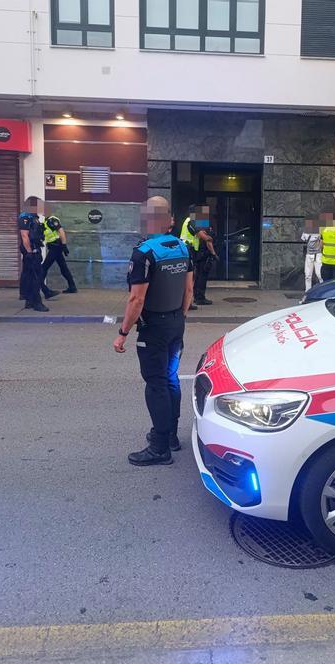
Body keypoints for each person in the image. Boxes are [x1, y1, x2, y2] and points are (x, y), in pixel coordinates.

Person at [113, 196, 193, 467]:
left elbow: (136, 300)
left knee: (156, 383)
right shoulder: (183, 247)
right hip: (175, 323)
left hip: (155, 328)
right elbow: (189, 290)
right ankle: (170, 435)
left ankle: (159, 448)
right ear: (169, 219)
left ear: (148, 219)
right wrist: (178, 318)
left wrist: (123, 331)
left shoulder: (144, 252)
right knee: (170, 379)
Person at [18, 196, 55, 311]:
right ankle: (37, 303)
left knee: (30, 276)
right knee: (36, 277)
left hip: (34, 249)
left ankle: (29, 301)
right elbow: (24, 236)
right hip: (31, 251)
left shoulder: (34, 217)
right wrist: (30, 252)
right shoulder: (25, 217)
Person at [177, 205, 216, 308]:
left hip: (188, 251)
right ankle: (187, 303)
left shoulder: (189, 221)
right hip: (188, 250)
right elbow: (203, 236)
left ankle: (188, 302)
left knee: (191, 277)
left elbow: (200, 232)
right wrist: (209, 238)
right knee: (190, 278)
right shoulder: (192, 221)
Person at [40, 211, 77, 294]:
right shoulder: (45, 222)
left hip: (56, 247)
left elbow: (61, 232)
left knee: (44, 267)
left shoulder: (51, 220)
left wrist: (64, 245)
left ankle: (43, 289)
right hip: (54, 247)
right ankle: (72, 286)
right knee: (63, 267)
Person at [302, 217, 323, 291]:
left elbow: (322, 242)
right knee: (308, 275)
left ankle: (322, 291)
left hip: (318, 255)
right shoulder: (305, 232)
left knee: (319, 274)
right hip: (309, 255)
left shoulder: (321, 231)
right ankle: (307, 291)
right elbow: (304, 239)